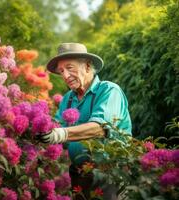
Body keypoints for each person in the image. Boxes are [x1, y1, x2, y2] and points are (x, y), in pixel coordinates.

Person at [37, 43, 132, 200]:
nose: (66, 76)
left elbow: (101, 127)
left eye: (70, 68)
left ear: (87, 67)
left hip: (109, 173)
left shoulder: (109, 90)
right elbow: (56, 127)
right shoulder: (68, 99)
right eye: (61, 71)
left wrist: (61, 133)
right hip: (79, 173)